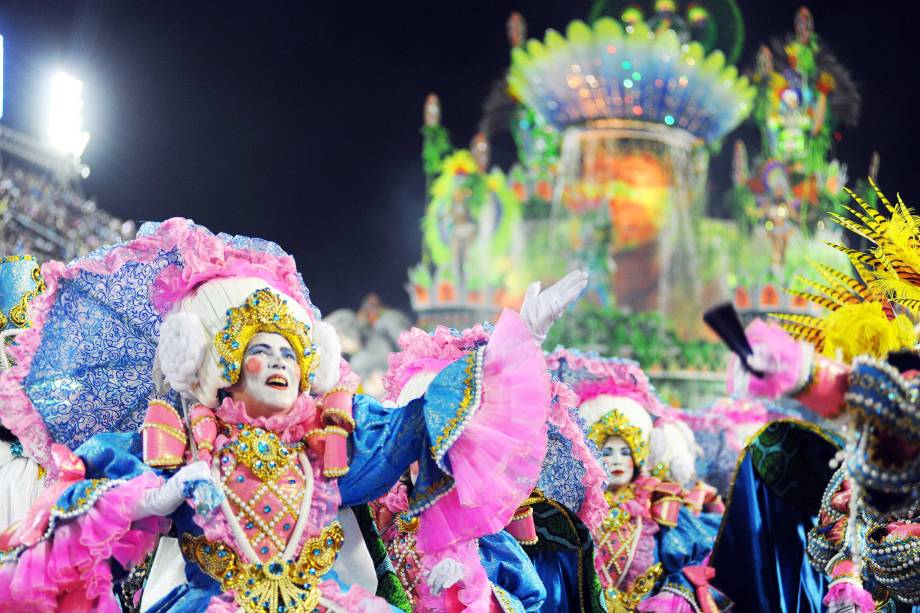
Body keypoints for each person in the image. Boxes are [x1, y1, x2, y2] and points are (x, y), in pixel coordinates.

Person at [0, 218, 586, 612]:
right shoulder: (173, 440)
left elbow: (420, 422)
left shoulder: (333, 440)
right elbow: (73, 513)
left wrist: (514, 342)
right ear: (225, 365)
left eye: (290, 352)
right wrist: (151, 500)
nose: (279, 363)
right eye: (261, 350)